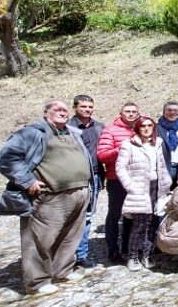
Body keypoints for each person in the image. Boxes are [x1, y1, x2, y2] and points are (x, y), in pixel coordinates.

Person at [0, 100, 92, 295]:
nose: (62, 113)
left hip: (79, 192)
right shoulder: (32, 132)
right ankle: (38, 282)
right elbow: (7, 157)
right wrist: (27, 180)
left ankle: (62, 270)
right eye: (57, 109)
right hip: (49, 196)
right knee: (39, 239)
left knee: (70, 236)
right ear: (46, 112)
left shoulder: (72, 132)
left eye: (65, 110)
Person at [116, 116, 172, 271]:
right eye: (143, 126)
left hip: (157, 187)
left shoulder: (158, 143)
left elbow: (162, 165)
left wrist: (166, 183)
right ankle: (132, 257)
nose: (147, 129)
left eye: (150, 126)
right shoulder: (129, 145)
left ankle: (146, 255)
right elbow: (120, 167)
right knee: (140, 224)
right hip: (140, 187)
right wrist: (130, 186)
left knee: (153, 223)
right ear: (138, 128)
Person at [98, 101, 140, 263]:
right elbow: (102, 155)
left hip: (136, 179)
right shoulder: (110, 130)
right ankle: (113, 250)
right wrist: (121, 148)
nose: (130, 114)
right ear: (120, 113)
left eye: (133, 112)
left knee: (132, 215)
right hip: (116, 179)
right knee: (115, 215)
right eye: (127, 111)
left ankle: (128, 248)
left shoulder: (140, 129)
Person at [67, 95, 105, 269]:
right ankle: (65, 255)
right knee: (70, 217)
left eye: (90, 106)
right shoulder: (66, 128)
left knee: (88, 216)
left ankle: (81, 254)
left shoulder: (98, 127)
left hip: (95, 176)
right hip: (73, 178)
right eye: (83, 106)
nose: (87, 109)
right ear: (75, 107)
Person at [156, 101, 178, 183]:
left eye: (175, 110)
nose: (172, 112)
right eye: (169, 110)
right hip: (162, 169)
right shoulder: (155, 128)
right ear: (164, 112)